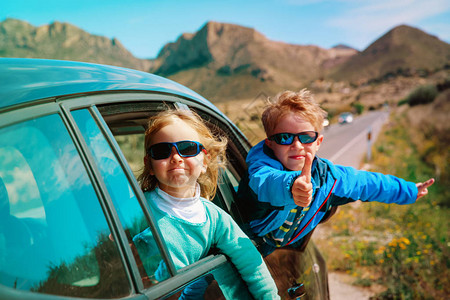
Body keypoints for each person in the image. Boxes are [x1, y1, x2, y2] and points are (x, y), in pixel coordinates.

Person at [237, 89, 435, 257]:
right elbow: (264, 183)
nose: (296, 145)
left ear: (318, 142)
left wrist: (408, 190)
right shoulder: (261, 167)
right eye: (284, 137)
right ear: (270, 143)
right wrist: (291, 187)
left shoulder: (327, 178)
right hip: (249, 248)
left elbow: (366, 183)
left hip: (287, 251)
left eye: (306, 137)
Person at [133, 109, 280, 299]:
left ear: (205, 162)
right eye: (162, 151)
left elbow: (250, 262)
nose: (176, 157)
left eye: (187, 149)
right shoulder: (137, 209)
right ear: (149, 165)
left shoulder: (214, 218)